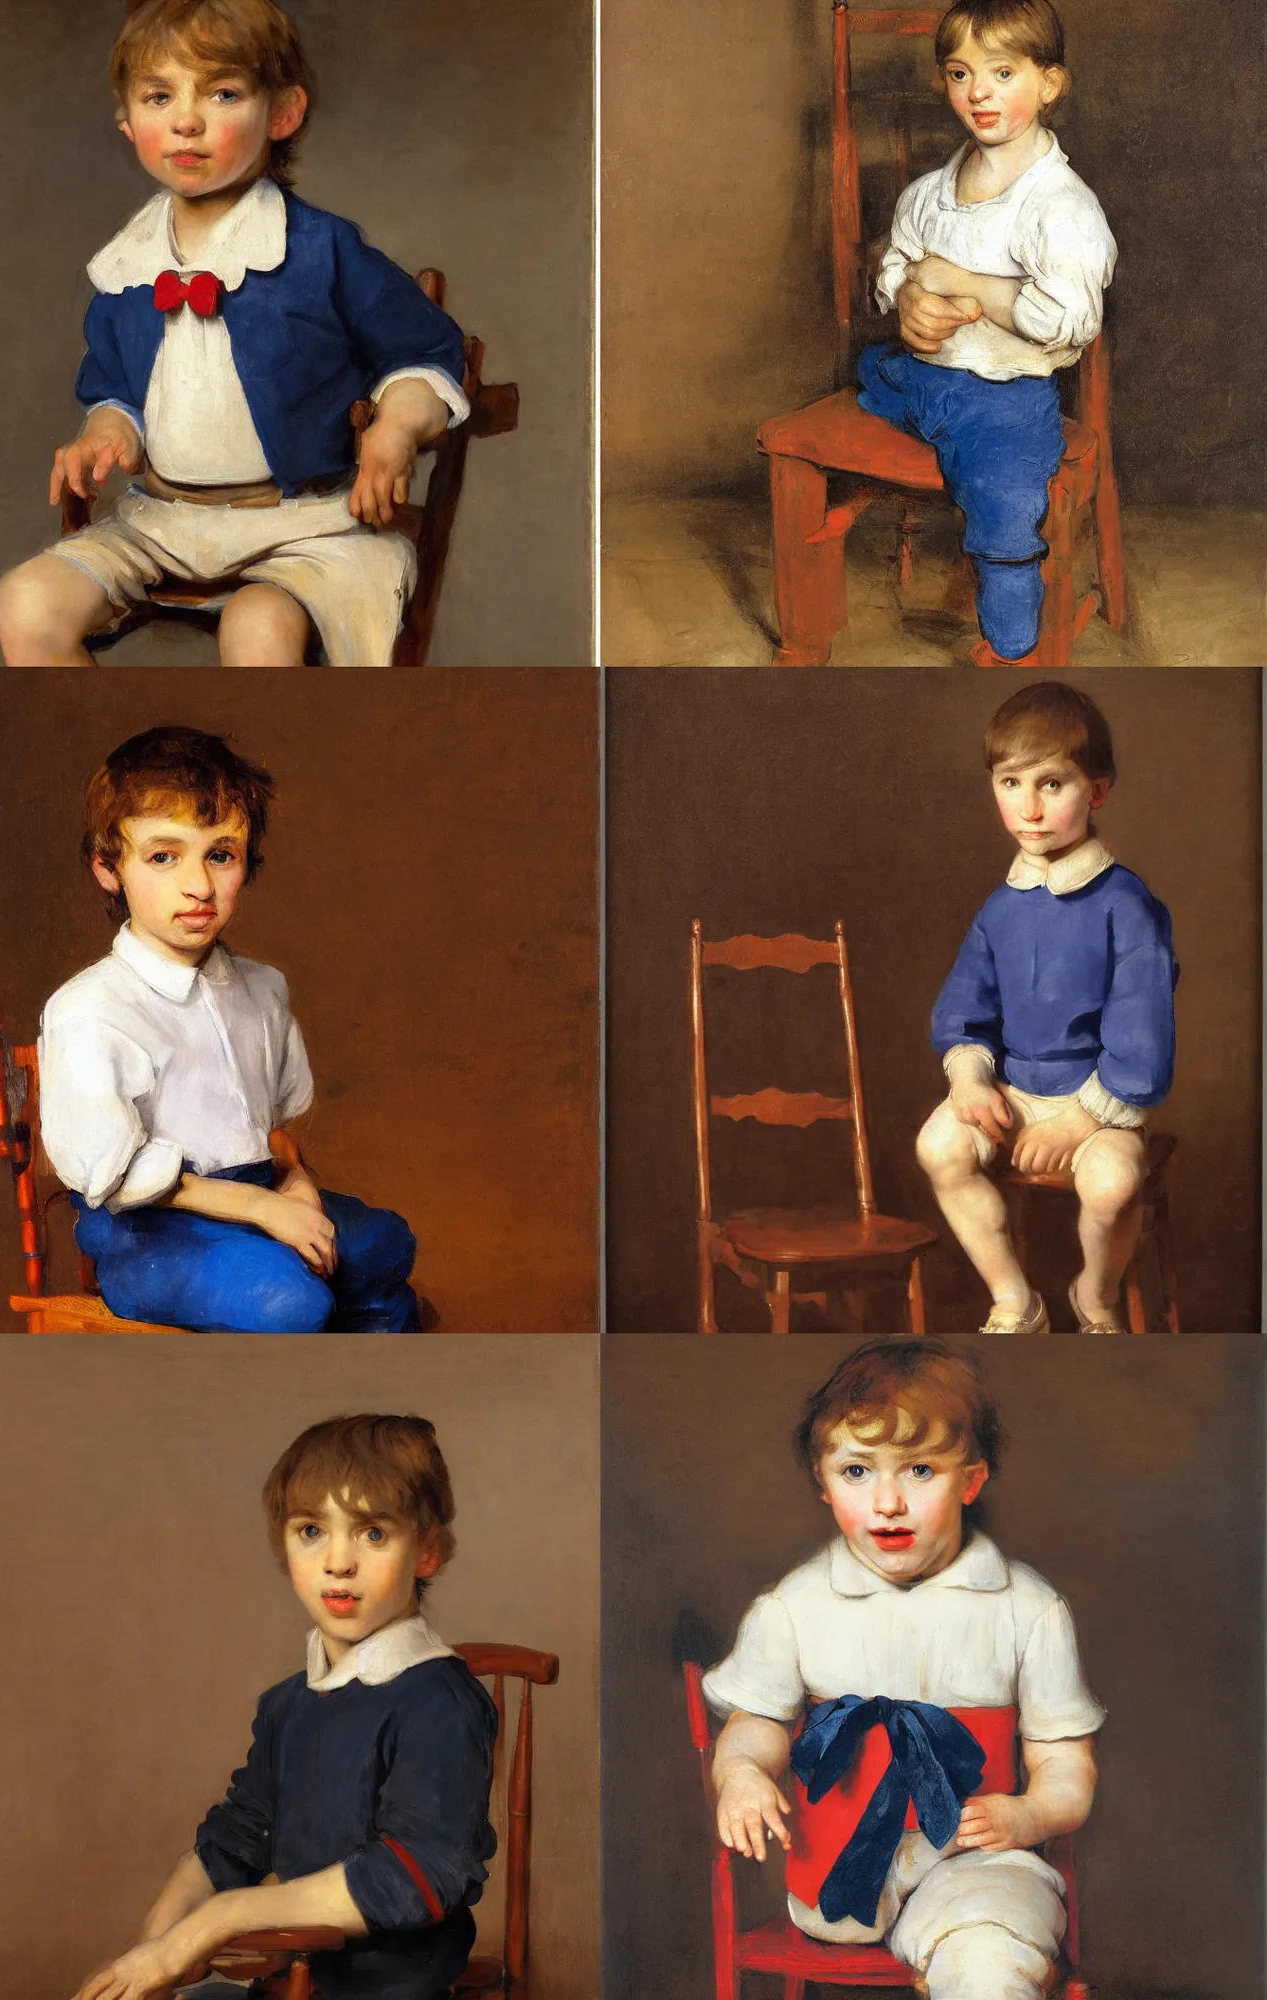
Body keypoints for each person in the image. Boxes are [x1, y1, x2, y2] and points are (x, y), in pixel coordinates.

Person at [0, 0, 469, 667]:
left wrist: (396, 425)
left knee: (259, 627)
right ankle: (110, 744)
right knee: (25, 601)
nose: (186, 121)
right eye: (159, 97)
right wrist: (107, 429)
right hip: (163, 522)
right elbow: (117, 392)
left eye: (221, 93)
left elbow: (426, 355)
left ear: (283, 113)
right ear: (129, 123)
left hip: (300, 531)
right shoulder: (128, 268)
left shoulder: (319, 249)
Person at [706, 1340, 1102, 2000]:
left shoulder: (1026, 1606)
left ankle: (974, 1961)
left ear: (970, 1482)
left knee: (989, 1961)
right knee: (866, 1917)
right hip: (841, 1867)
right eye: (858, 1472)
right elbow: (757, 1724)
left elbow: (1067, 1765)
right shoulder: (795, 1606)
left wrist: (1028, 1815)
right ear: (823, 1483)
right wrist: (742, 1773)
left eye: (919, 1471)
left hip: (979, 1862)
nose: (887, 1502)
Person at [75, 1415, 497, 2000]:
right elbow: (235, 1839)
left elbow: (416, 1874)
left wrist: (217, 1922)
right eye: (311, 1531)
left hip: (386, 1990)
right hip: (287, 1978)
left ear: (428, 1552)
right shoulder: (288, 1705)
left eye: (373, 1533)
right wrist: (155, 1954)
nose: (338, 1562)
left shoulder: (440, 1702)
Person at [39, 726, 418, 1331]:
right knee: (290, 1299)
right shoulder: (89, 1008)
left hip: (258, 1189)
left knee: (386, 1245)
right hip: (149, 1227)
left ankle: (369, 1403)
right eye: (164, 857)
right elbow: (111, 1179)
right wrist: (263, 1211)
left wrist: (295, 1186)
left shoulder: (262, 989)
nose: (199, 886)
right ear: (109, 870)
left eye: (221, 855)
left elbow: (273, 1131)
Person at [859, 0, 1116, 666]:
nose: (978, 92)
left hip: (1005, 403)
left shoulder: (1061, 208)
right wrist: (911, 294)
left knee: (1004, 502)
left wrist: (962, 280)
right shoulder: (926, 194)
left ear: (1049, 84)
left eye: (1002, 73)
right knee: (871, 371)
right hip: (920, 379)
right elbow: (893, 266)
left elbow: (1065, 322)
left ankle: (1012, 648)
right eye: (959, 73)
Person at [916, 681, 1176, 1333]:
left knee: (1114, 1186)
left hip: (1098, 1103)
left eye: (1051, 785)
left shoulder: (1127, 906)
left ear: (1097, 790)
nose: (1028, 807)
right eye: (1010, 783)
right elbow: (966, 1005)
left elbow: (1141, 1037)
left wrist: (1080, 1123)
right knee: (939, 1143)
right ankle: (1015, 1300)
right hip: (1015, 1095)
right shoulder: (1001, 908)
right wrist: (972, 1079)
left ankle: (1096, 1294)